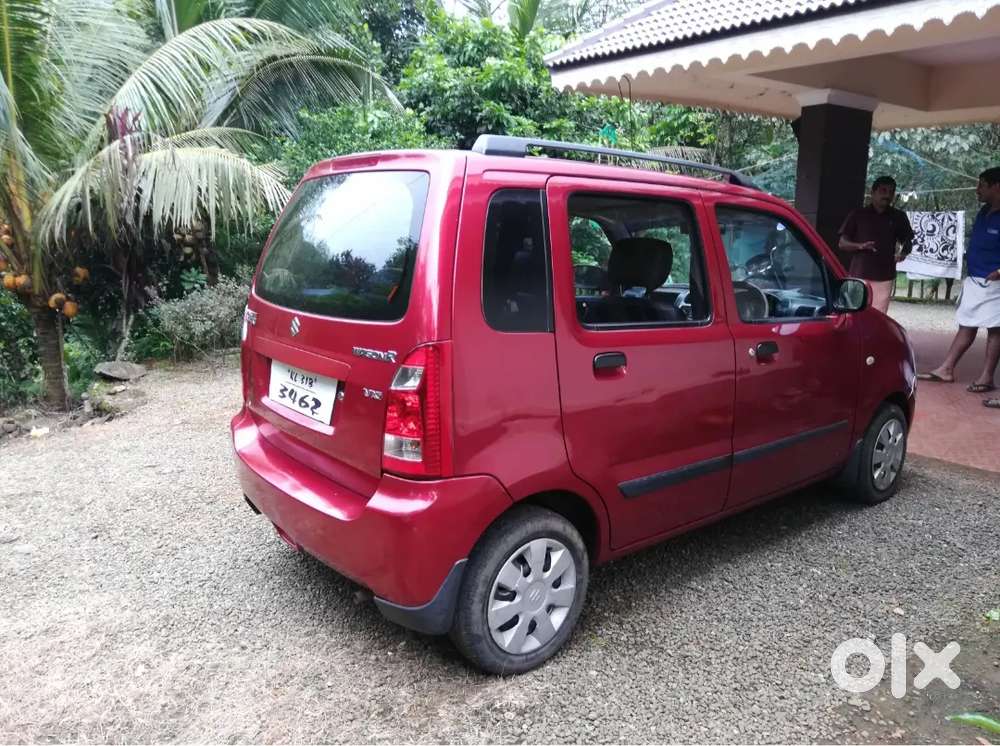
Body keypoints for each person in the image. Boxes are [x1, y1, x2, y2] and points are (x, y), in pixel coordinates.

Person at [917, 166, 1000, 404]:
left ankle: (986, 377)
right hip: (975, 278)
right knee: (967, 324)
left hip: (996, 282)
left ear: (996, 186)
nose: (977, 190)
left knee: (996, 330)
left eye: (982, 185)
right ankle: (946, 368)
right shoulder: (985, 211)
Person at [838, 175, 915, 314]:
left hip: (884, 277)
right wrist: (860, 246)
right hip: (859, 276)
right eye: (883, 191)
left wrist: (903, 252)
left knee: (878, 318)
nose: (887, 195)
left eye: (891, 192)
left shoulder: (899, 217)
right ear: (872, 192)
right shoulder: (858, 214)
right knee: (852, 315)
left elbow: (908, 241)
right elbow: (842, 244)